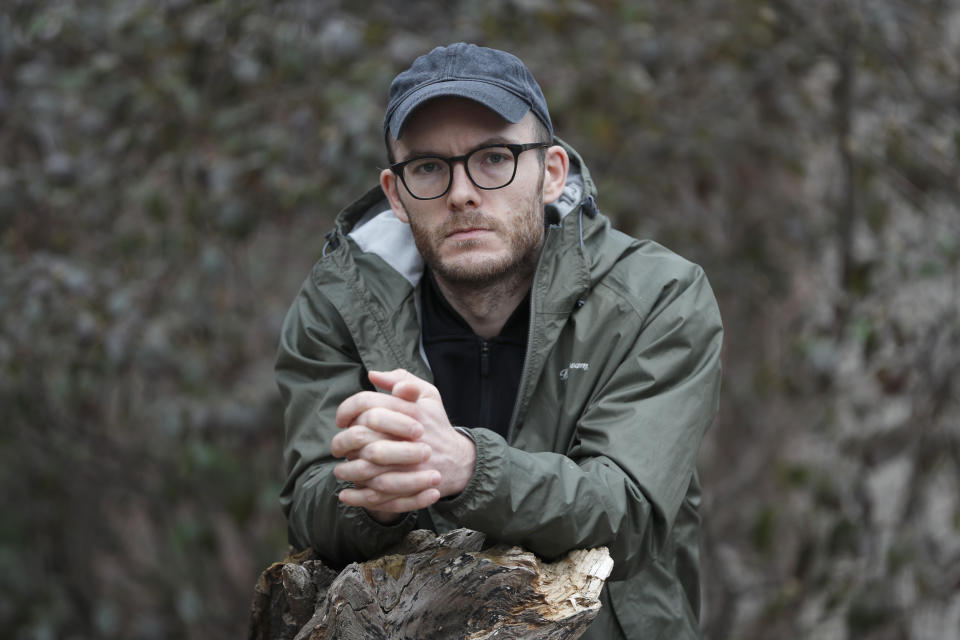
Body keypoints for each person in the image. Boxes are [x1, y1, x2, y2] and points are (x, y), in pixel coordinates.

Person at [275, 42, 723, 639]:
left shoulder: (657, 298)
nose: (462, 193)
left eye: (494, 158)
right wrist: (376, 498)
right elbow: (308, 505)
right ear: (395, 194)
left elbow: (628, 510)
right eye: (429, 167)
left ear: (551, 172)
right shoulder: (337, 307)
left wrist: (466, 466)